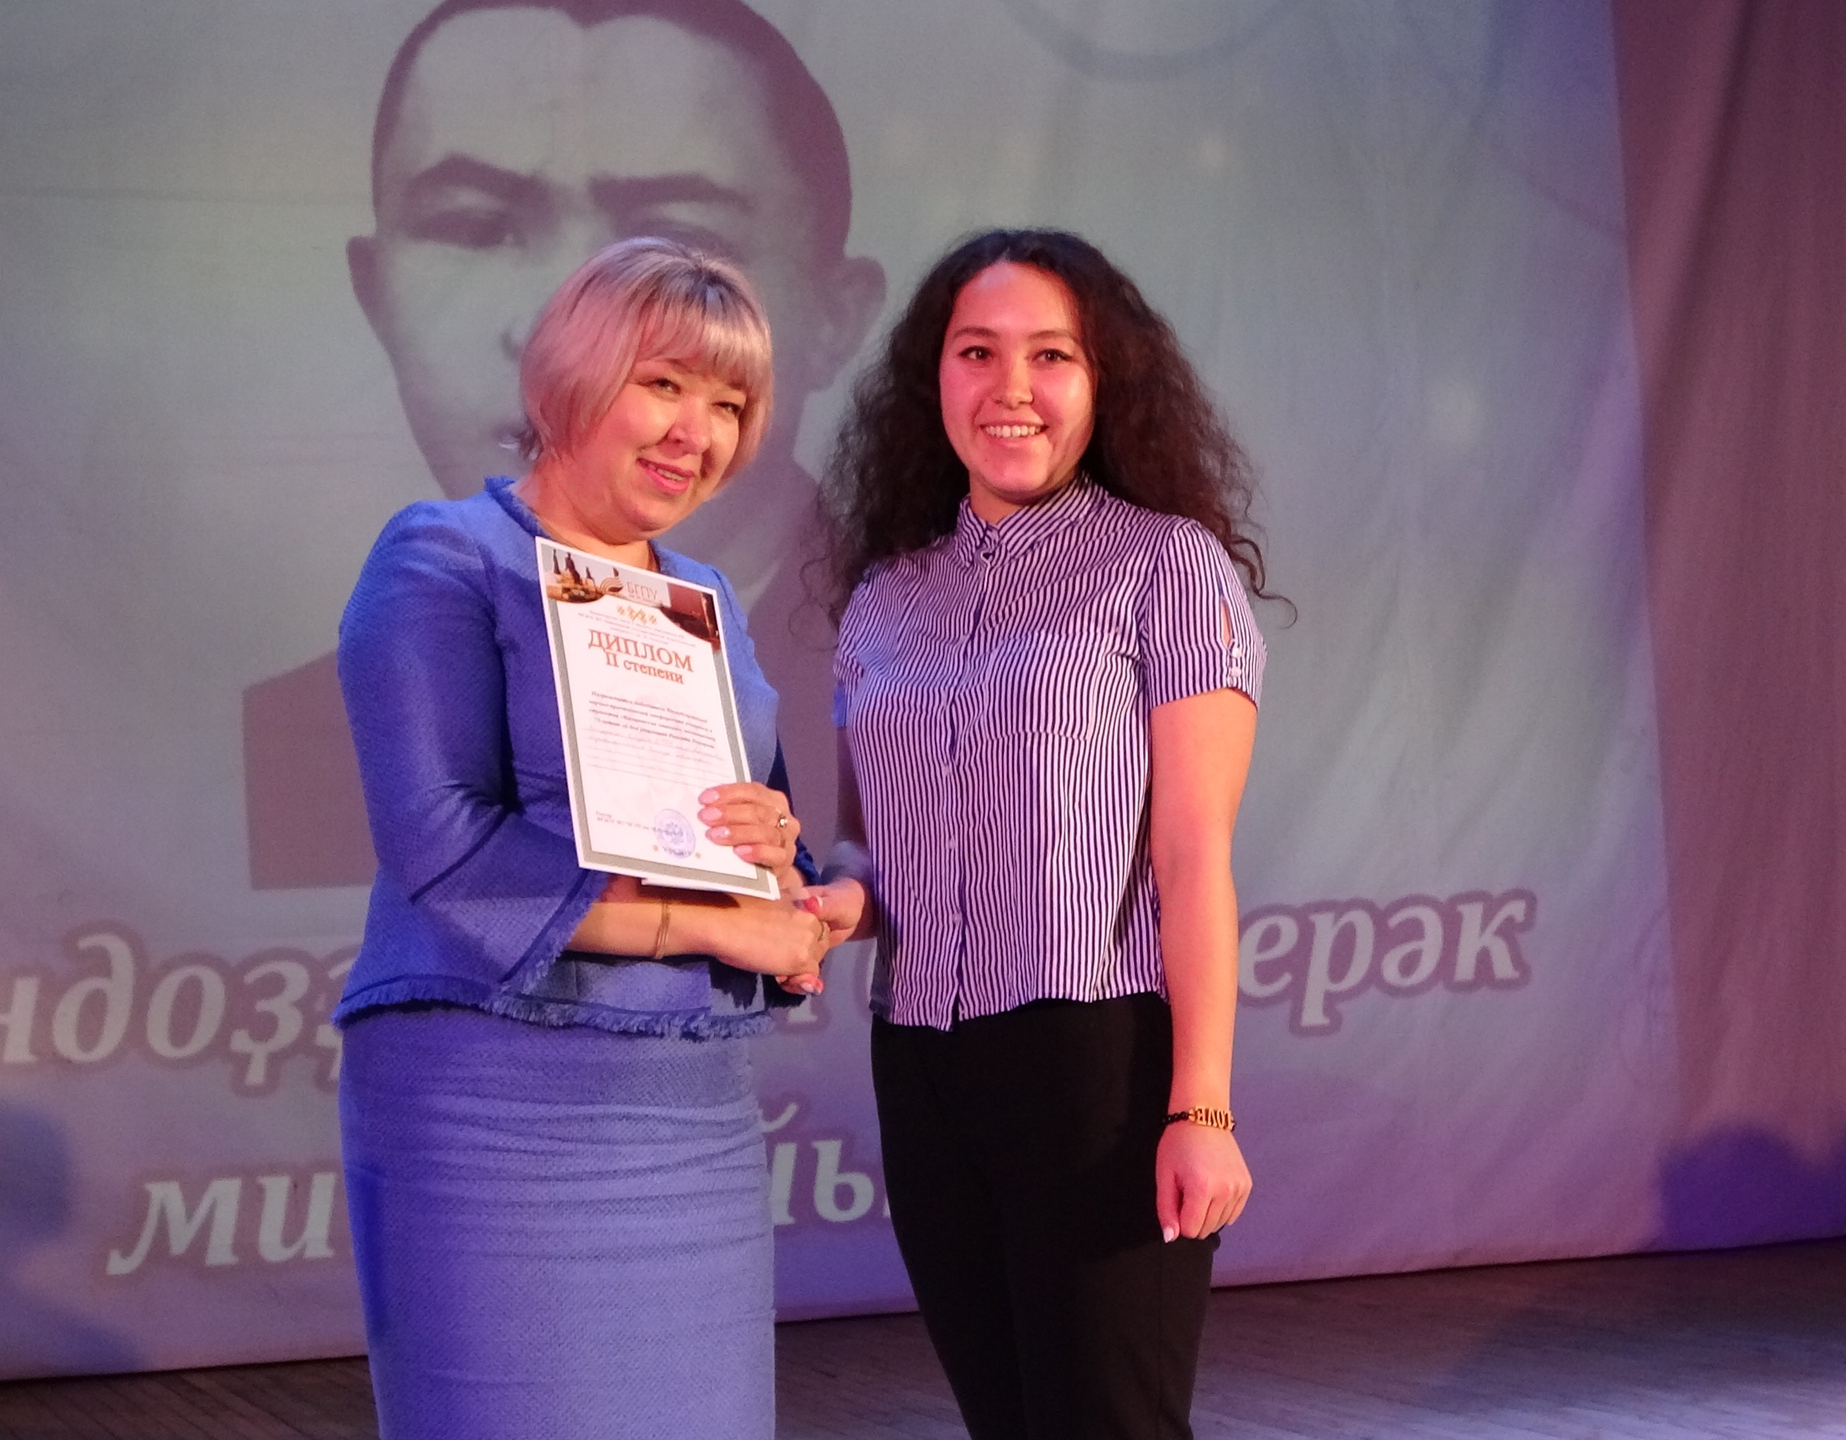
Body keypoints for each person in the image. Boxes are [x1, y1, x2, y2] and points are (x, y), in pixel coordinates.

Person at [333, 237, 853, 1439]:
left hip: (689, 1104)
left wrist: (775, 852)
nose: (695, 432)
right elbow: (445, 854)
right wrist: (707, 926)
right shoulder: (445, 554)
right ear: (572, 375)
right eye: (663, 384)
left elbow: (751, 855)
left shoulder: (702, 600)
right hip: (493, 1099)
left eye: (729, 404)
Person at [244, 0, 883, 888]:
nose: (567, 330)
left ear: (833, 317)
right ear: (374, 292)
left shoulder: (895, 664)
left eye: (677, 242)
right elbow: (455, 884)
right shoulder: (297, 728)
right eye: (478, 228)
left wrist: (782, 869)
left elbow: (779, 883)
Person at [812, 228, 1273, 1439]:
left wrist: (1202, 1110)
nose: (1010, 387)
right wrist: (823, 901)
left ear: (1103, 379)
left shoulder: (1165, 567)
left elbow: (1193, 858)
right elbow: (870, 854)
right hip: (921, 1062)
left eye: (1051, 355)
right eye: (976, 352)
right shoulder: (883, 601)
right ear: (934, 378)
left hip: (1098, 1064)